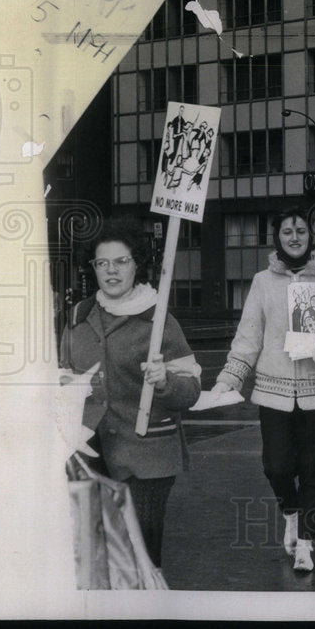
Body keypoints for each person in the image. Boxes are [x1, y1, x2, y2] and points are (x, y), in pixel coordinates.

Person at [60, 216, 202, 570]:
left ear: (136, 264)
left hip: (146, 453)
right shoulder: (80, 315)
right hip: (89, 453)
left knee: (139, 554)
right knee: (94, 554)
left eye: (121, 261)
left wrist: (166, 381)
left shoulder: (158, 317)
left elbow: (192, 389)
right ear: (91, 267)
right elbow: (64, 373)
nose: (111, 271)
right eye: (102, 263)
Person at [211, 207, 315, 573]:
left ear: (310, 236)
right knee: (277, 466)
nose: (295, 237)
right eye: (287, 231)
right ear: (278, 237)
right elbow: (248, 337)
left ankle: (305, 544)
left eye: (301, 230)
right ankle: (290, 511)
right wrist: (229, 378)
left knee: (313, 468)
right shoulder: (262, 282)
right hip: (273, 392)